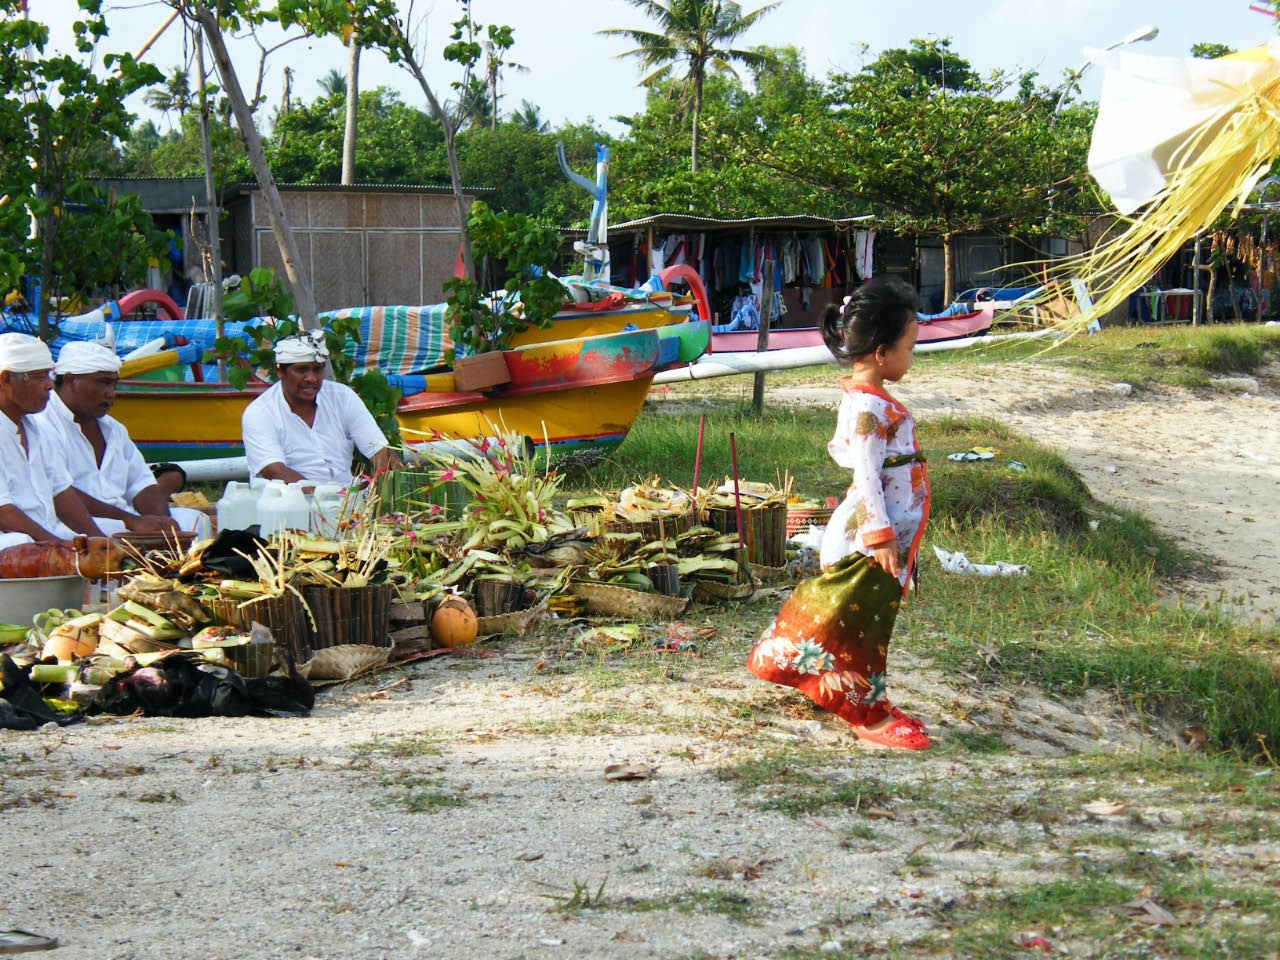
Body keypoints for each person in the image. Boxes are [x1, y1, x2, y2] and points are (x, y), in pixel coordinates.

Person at [746, 279, 931, 750]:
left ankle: (854, 696)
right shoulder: (869, 406)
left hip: (877, 539)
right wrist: (882, 535)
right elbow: (868, 473)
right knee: (856, 629)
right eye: (910, 347)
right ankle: (864, 714)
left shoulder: (871, 399)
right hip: (868, 542)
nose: (913, 356)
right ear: (883, 351)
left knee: (859, 623)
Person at [33, 341, 210, 538]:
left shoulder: (114, 429)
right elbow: (60, 494)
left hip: (125, 517)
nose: (111, 393)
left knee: (194, 520)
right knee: (113, 530)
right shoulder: (42, 425)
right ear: (70, 380)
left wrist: (163, 523)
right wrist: (132, 522)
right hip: (73, 524)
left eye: (114, 384)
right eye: (103, 383)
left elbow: (141, 483)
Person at [0, 333, 125, 549]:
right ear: (6, 380)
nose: (50, 385)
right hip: (14, 543)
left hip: (44, 537)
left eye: (49, 376)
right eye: (39, 377)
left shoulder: (36, 428)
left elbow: (61, 492)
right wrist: (58, 547)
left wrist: (102, 544)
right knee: (22, 542)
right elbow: (4, 512)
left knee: (101, 541)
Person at [241, 331, 402, 485]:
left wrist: (401, 488)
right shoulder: (260, 412)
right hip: (286, 506)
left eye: (317, 369)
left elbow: (380, 451)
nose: (311, 378)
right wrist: (327, 499)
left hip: (346, 502)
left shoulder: (343, 397)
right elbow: (275, 471)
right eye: (302, 369)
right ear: (279, 371)